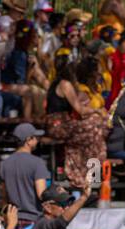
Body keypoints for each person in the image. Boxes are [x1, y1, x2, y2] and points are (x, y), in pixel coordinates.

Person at [45, 54, 108, 187]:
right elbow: (79, 109)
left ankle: (92, 176)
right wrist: (97, 111)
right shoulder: (65, 84)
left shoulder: (59, 83)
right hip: (59, 125)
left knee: (96, 128)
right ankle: (85, 176)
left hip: (62, 123)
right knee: (95, 129)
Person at [0, 123, 49, 225]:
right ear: (28, 140)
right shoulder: (37, 163)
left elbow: (4, 196)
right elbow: (42, 195)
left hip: (13, 221)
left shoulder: (5, 163)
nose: (37, 140)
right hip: (34, 220)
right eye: (35, 137)